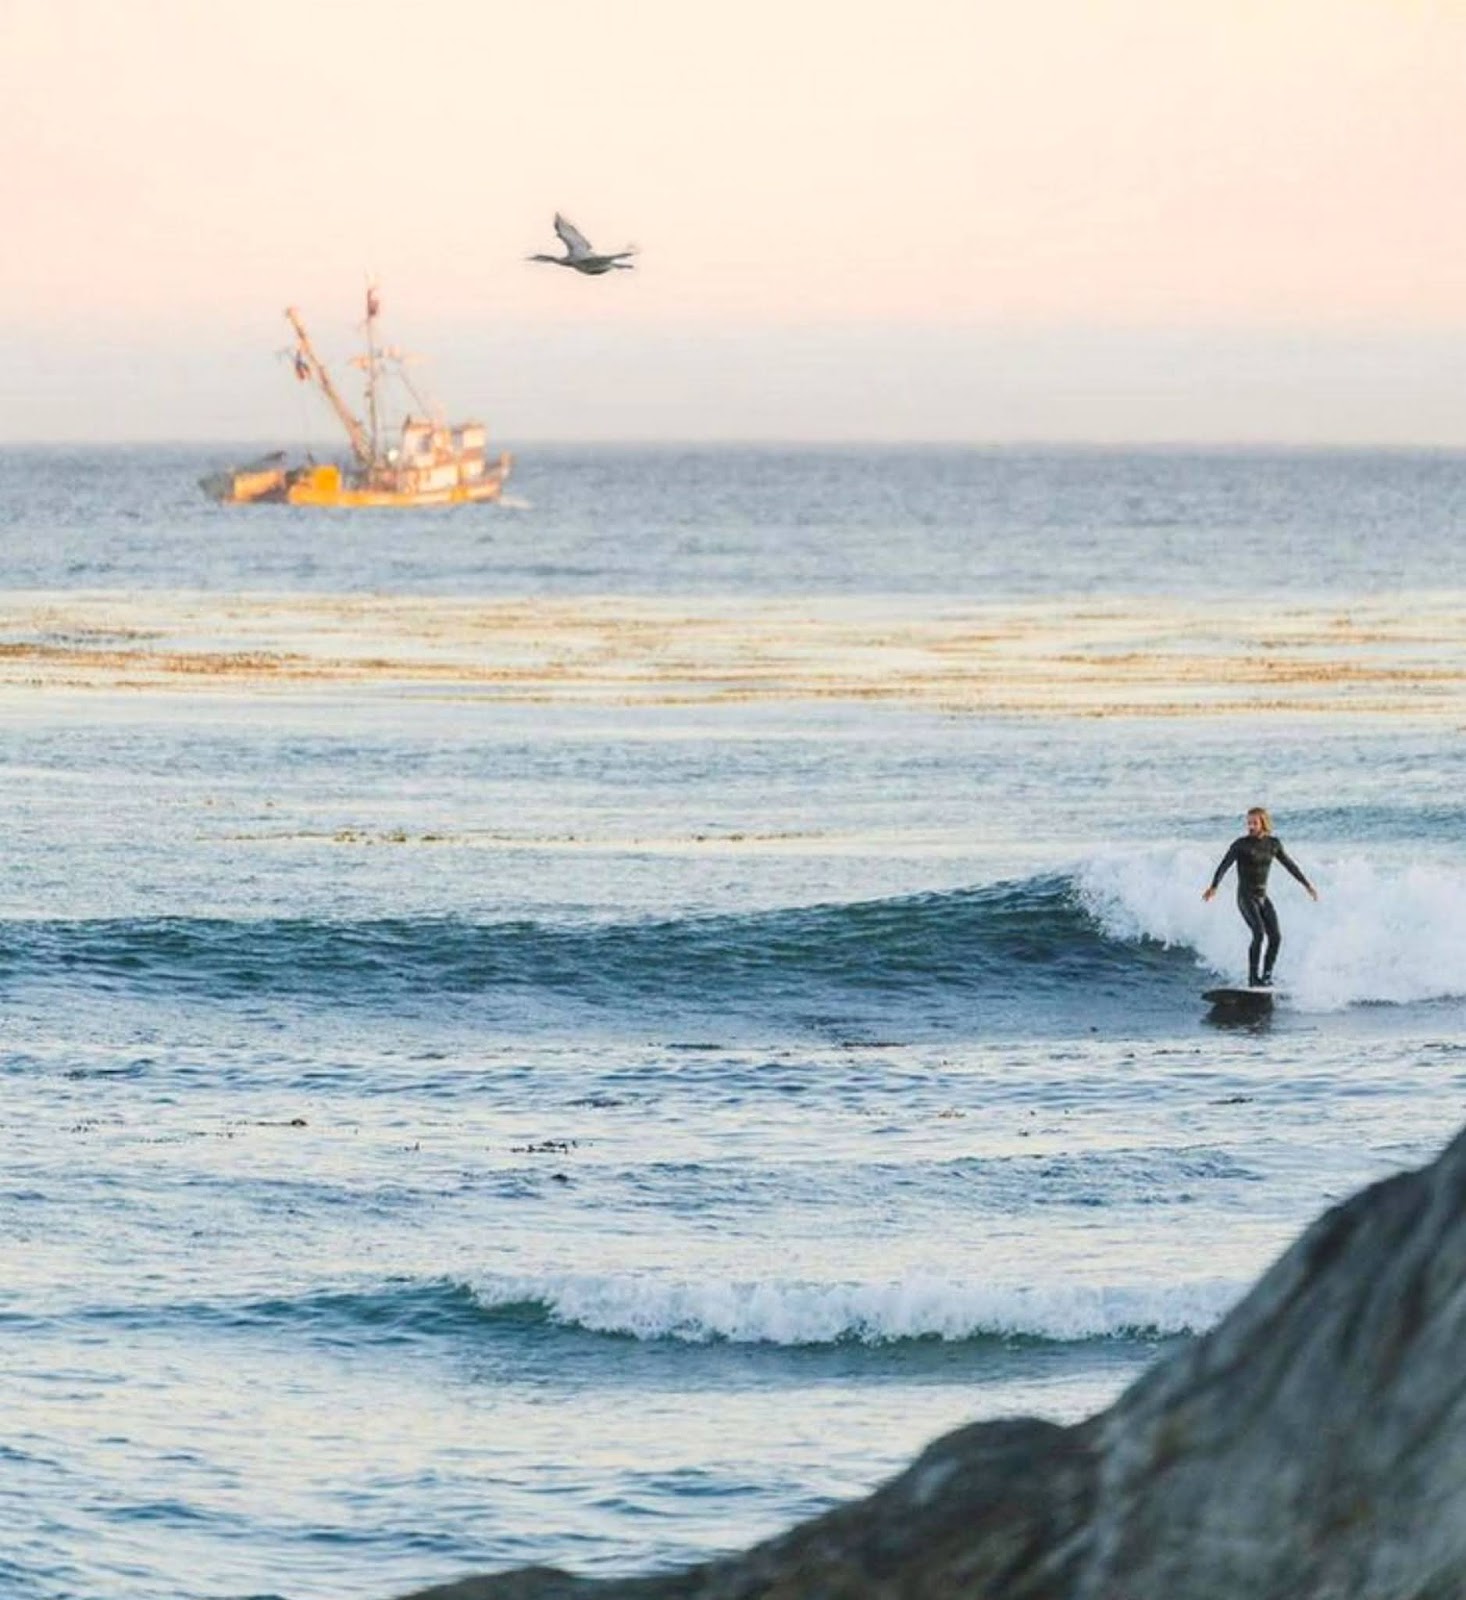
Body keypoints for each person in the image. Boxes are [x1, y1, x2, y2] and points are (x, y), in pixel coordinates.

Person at [1202, 806, 1319, 987]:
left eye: (1254, 823)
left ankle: (1266, 977)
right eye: (1248, 823)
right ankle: (1252, 978)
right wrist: (1214, 886)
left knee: (1276, 937)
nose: (1250, 826)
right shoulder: (1240, 844)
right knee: (1258, 933)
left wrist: (1306, 884)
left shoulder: (1273, 844)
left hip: (1262, 897)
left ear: (1263, 823)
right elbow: (1224, 865)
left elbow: (1290, 865)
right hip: (1245, 897)